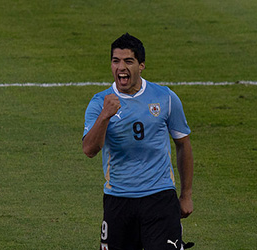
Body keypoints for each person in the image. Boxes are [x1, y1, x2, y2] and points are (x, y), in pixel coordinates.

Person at [82, 33, 194, 250]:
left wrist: (186, 195)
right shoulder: (99, 103)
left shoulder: (165, 97)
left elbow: (183, 144)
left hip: (160, 197)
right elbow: (89, 150)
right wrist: (105, 115)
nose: (121, 67)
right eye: (116, 61)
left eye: (128, 61)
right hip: (118, 200)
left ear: (141, 65)